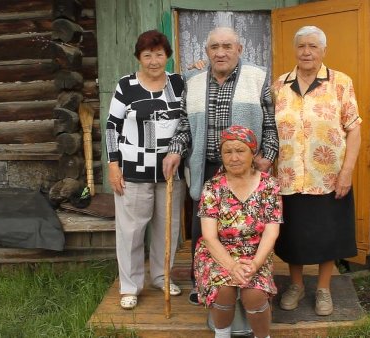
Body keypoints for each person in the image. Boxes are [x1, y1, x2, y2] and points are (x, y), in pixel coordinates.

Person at [163, 27, 278, 305]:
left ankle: (249, 279)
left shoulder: (257, 77)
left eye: (227, 46)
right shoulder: (193, 79)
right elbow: (185, 124)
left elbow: (271, 124)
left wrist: (268, 155)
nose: (221, 52)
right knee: (203, 229)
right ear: (206, 52)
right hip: (206, 164)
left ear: (239, 49)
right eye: (214, 47)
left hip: (245, 166)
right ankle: (202, 282)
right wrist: (175, 151)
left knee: (247, 226)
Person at [271, 26, 362, 315]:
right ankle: (296, 285)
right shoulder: (279, 85)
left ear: (323, 51)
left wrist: (347, 171)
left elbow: (354, 129)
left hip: (329, 176)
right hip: (289, 176)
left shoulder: (340, 83)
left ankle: (323, 289)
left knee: (328, 234)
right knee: (293, 235)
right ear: (294, 50)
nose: (306, 52)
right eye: (301, 46)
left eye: (312, 46)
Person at [106, 30, 185, 310]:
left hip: (169, 172)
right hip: (133, 170)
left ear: (167, 56)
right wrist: (113, 165)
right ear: (139, 57)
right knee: (131, 231)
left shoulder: (178, 83)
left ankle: (162, 277)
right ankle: (130, 286)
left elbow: (186, 119)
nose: (153, 60)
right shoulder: (126, 85)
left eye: (159, 54)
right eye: (147, 55)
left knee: (168, 229)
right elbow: (112, 127)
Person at [194, 125, 282, 338]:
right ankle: (222, 334)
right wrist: (232, 266)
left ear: (253, 153)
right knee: (223, 290)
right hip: (217, 253)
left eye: (240, 150)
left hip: (255, 254)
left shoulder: (269, 185)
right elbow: (209, 236)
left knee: (253, 294)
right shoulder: (212, 187)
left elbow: (271, 232)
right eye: (228, 151)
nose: (234, 157)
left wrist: (254, 265)